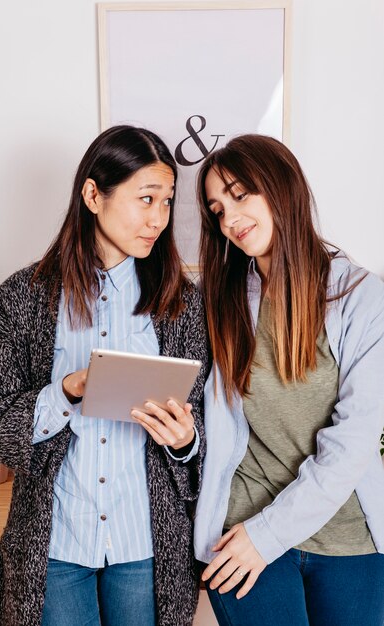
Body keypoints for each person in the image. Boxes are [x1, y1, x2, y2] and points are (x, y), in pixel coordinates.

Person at [0, 125, 209, 626]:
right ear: (93, 195)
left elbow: (211, 426)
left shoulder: (183, 304)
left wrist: (185, 439)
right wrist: (65, 392)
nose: (158, 220)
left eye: (166, 202)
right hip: (55, 543)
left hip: (144, 545)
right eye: (146, 199)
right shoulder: (24, 295)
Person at [193, 134, 384, 626]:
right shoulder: (219, 300)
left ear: (282, 188)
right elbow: (200, 420)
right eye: (217, 209)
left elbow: (353, 442)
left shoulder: (362, 299)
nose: (229, 219)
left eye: (239, 195)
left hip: (349, 536)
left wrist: (269, 534)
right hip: (241, 531)